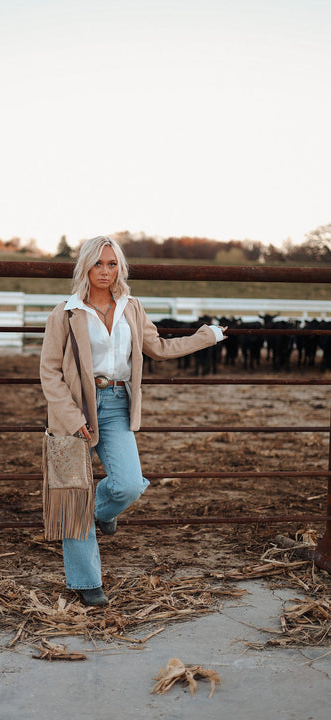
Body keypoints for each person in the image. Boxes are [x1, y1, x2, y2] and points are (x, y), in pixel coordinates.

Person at [40, 236, 226, 606]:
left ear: (120, 268)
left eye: (112, 264)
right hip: (75, 410)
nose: (105, 271)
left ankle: (99, 513)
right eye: (98, 264)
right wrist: (74, 417)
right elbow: (49, 372)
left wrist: (205, 337)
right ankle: (86, 582)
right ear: (85, 268)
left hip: (118, 403)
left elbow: (158, 347)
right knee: (74, 494)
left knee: (127, 485)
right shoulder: (66, 313)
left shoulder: (131, 307)